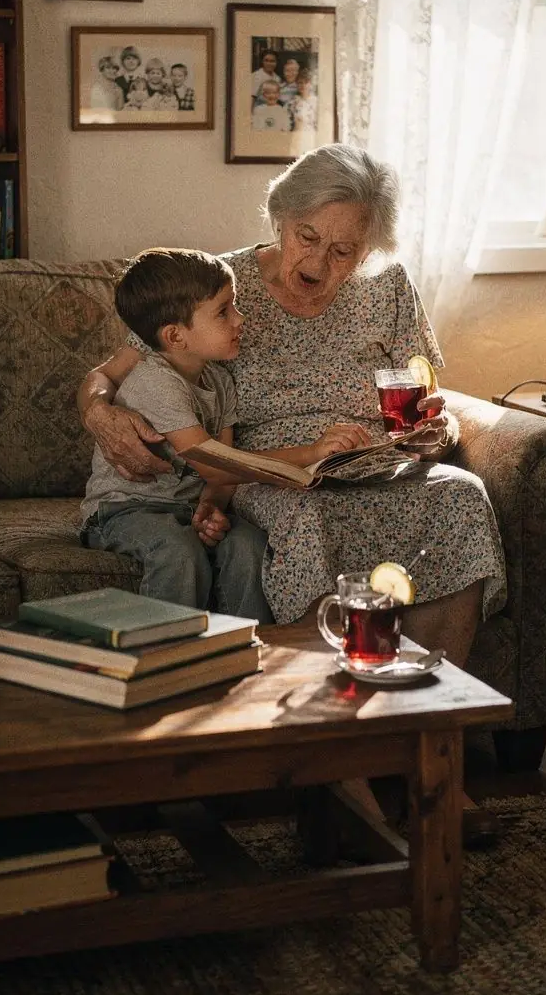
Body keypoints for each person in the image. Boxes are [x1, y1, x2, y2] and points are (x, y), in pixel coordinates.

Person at [78, 144, 506, 668]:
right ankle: (312, 713)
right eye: (308, 237)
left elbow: (423, 399)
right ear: (281, 218)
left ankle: (430, 708)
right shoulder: (221, 288)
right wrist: (99, 413)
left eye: (345, 250)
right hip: (274, 472)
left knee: (461, 496)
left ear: (368, 250)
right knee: (308, 512)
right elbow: (107, 376)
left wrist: (433, 432)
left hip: (375, 461)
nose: (320, 261)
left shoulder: (389, 289)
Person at [82, 248, 326, 617]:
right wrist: (311, 453)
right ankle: (166, 660)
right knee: (178, 551)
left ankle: (250, 656)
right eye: (224, 311)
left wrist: (212, 506)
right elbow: (217, 464)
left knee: (248, 544)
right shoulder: (155, 381)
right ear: (176, 337)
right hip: (124, 510)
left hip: (184, 508)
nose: (240, 319)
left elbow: (221, 479)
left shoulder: (220, 382)